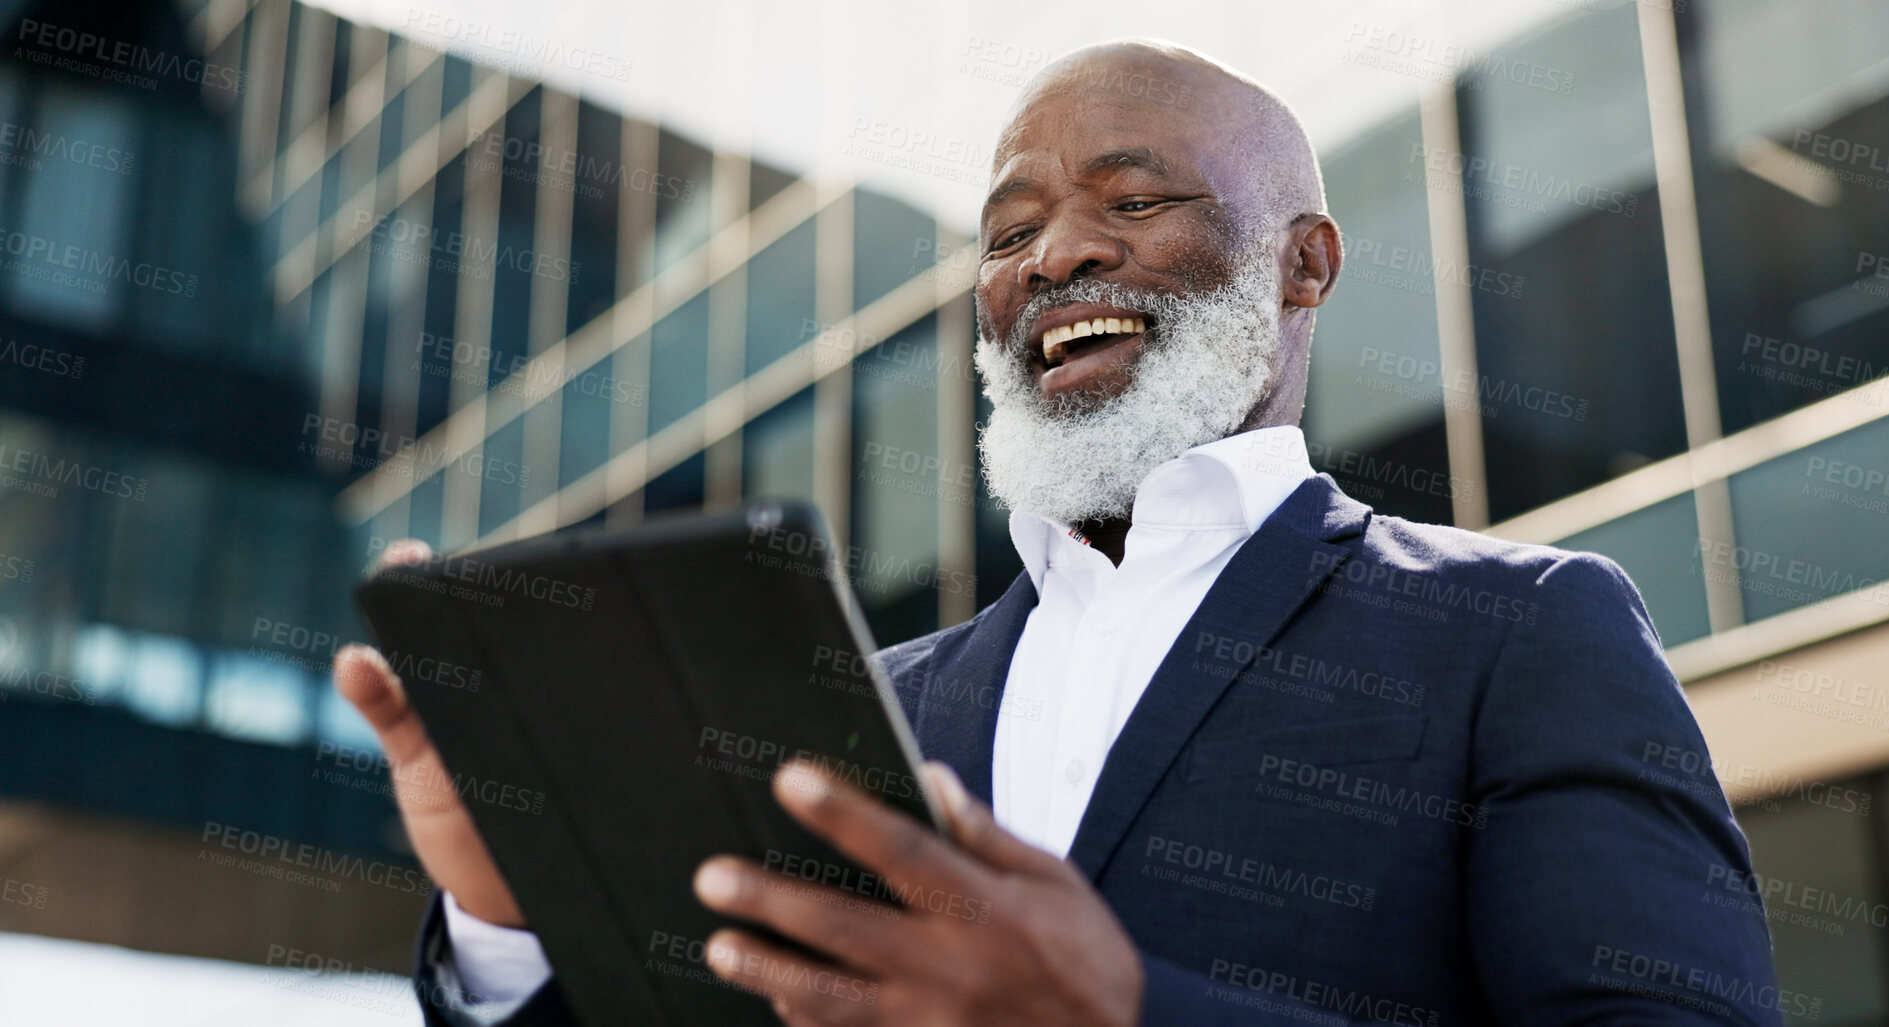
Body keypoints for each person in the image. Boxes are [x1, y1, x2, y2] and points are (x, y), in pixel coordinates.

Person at [335, 38, 1782, 1027]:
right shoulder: (870, 705)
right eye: (1009, 228)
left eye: (1133, 200)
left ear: (1304, 265)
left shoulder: (1523, 630)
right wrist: (511, 914)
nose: (1058, 255)